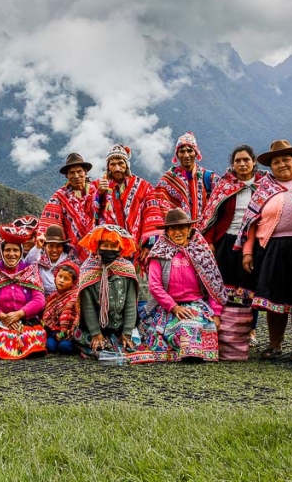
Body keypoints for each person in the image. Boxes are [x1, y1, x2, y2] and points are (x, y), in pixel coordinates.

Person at [238, 140, 292, 363]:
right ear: (271, 167)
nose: (281, 165)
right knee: (273, 298)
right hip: (272, 248)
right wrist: (248, 252)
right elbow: (251, 224)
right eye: (276, 162)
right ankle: (274, 344)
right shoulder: (264, 190)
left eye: (286, 160)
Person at [201, 144, 264, 359]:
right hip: (226, 240)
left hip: (253, 241)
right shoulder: (224, 185)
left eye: (246, 160)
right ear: (233, 164)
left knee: (249, 286)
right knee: (222, 287)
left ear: (253, 162)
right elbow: (212, 216)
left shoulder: (264, 185)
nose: (242, 164)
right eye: (238, 160)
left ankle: (250, 330)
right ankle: (225, 330)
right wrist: (209, 241)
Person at [141, 209, 226, 362]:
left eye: (181, 228)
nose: (177, 232)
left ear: (189, 230)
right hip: (168, 307)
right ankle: (188, 352)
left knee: (195, 324)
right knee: (170, 330)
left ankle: (192, 352)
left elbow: (213, 285)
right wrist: (174, 307)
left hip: (197, 304)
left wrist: (216, 314)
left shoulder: (201, 252)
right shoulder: (158, 254)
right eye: (172, 229)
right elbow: (155, 286)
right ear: (167, 232)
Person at [74, 225, 147, 361]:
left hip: (121, 325)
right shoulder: (88, 269)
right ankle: (102, 341)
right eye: (105, 245)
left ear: (120, 249)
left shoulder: (127, 269)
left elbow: (131, 304)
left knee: (136, 341)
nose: (109, 249)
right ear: (98, 246)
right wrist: (96, 333)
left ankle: (118, 340)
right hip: (95, 327)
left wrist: (126, 333)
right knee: (86, 340)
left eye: (113, 246)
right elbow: (87, 306)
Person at [0, 224, 47, 359]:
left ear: (21, 252)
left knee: (35, 334)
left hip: (25, 319)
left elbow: (39, 299)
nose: (11, 254)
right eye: (7, 250)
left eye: (15, 250)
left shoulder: (29, 270)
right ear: (2, 253)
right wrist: (2, 316)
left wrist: (20, 314)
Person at [142, 132, 215, 239]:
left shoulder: (209, 178)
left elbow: (217, 209)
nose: (186, 155)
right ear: (177, 154)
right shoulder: (167, 181)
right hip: (176, 236)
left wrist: (211, 237)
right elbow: (159, 208)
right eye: (182, 151)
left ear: (196, 152)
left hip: (206, 237)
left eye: (190, 150)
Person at [87, 144, 153, 248]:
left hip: (135, 244)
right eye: (112, 164)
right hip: (107, 245)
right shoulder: (96, 185)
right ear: (108, 167)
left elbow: (152, 213)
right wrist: (98, 194)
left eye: (120, 163)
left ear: (127, 165)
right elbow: (87, 211)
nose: (117, 168)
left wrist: (148, 243)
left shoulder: (143, 186)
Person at [38, 152, 94, 261]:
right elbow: (49, 223)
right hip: (73, 252)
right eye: (72, 173)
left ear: (85, 172)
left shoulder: (96, 191)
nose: (76, 176)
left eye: (79, 171)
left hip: (98, 249)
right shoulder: (60, 196)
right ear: (67, 175)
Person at [41, 260, 81, 354]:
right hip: (55, 332)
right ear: (55, 277)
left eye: (66, 278)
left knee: (64, 347)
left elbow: (77, 321)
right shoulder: (53, 296)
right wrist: (56, 335)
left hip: (72, 334)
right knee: (50, 346)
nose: (61, 280)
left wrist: (66, 333)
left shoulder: (76, 297)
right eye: (60, 276)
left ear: (73, 282)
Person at [26, 224, 74, 295]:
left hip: (64, 297)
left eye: (58, 246)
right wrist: (38, 247)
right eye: (50, 246)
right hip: (41, 296)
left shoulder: (71, 261)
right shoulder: (39, 257)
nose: (54, 250)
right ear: (45, 246)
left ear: (63, 247)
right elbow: (27, 263)